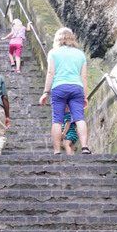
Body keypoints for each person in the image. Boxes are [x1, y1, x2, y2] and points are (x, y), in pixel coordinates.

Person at [39, 26, 91, 155]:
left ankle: (57, 150)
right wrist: (85, 95)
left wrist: (46, 91)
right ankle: (85, 147)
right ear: (72, 38)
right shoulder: (80, 54)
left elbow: (51, 72)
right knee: (79, 118)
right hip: (76, 87)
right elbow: (84, 76)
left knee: (57, 120)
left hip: (59, 87)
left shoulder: (53, 53)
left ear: (57, 39)